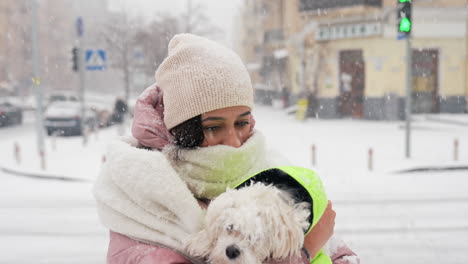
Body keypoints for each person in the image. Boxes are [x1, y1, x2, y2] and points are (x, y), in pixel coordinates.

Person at [93, 33, 359, 264]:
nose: (234, 142)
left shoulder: (265, 166)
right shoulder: (140, 195)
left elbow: (339, 253)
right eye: (214, 127)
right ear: (184, 131)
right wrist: (305, 251)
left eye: (241, 122)